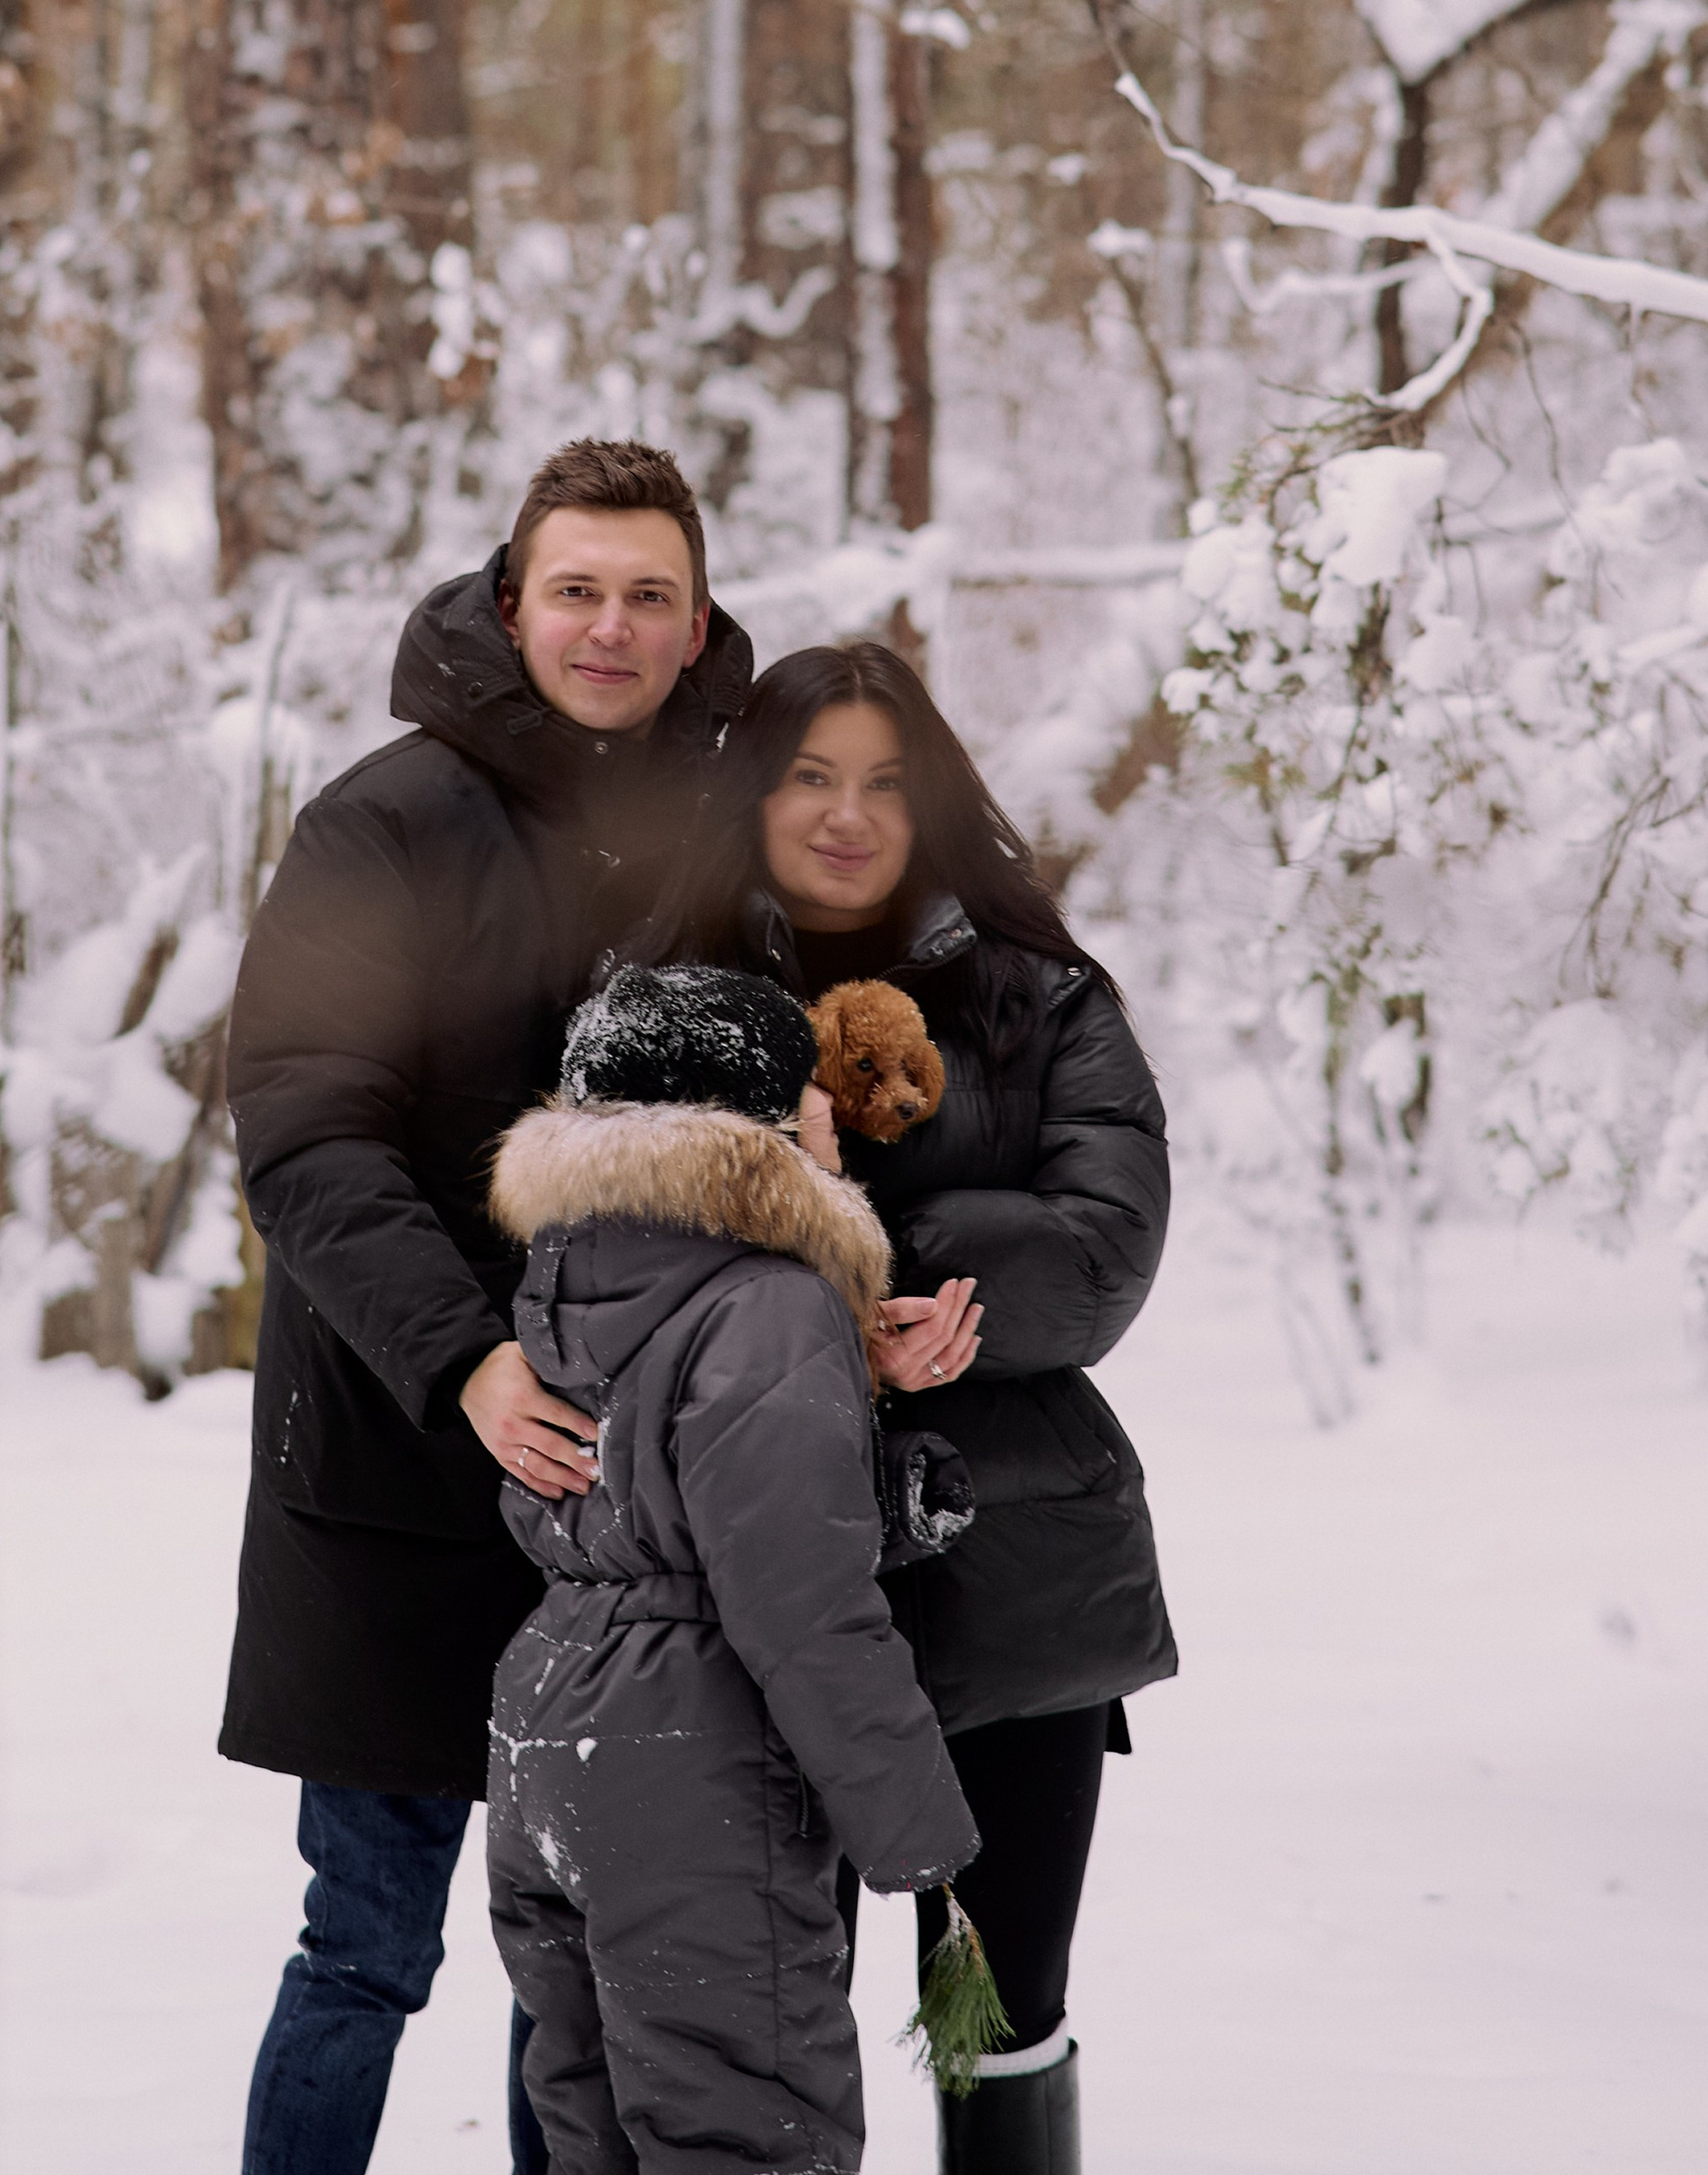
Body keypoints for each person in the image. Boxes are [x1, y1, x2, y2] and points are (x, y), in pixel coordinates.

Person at [220, 440, 752, 2175]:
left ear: (694, 624)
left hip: (622, 1499)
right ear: (512, 600)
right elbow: (305, 1128)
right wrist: (465, 1355)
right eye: (578, 588)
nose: (610, 626)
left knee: (581, 1970)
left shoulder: (730, 835)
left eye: (647, 595)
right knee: (365, 1947)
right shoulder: (384, 821)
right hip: (396, 1463)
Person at [643, 638, 1176, 2175]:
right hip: (752, 1587)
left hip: (1013, 1574)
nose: (846, 813)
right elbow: (606, 1261)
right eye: (808, 775)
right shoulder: (669, 1003)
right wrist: (823, 1313)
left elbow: (1104, 1253)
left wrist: (899, 1265)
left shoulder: (1042, 997)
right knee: (760, 2022)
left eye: (886, 780)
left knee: (1000, 2010)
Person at [485, 959, 981, 2174]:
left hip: (552, 1740)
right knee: (748, 2135)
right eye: (813, 1094)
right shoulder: (769, 1298)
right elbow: (797, 1603)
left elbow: (644, 1505)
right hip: (696, 1766)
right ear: (758, 1118)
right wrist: (919, 1831)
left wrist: (876, 1492)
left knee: (592, 2125)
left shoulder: (570, 1275)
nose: (837, 1121)